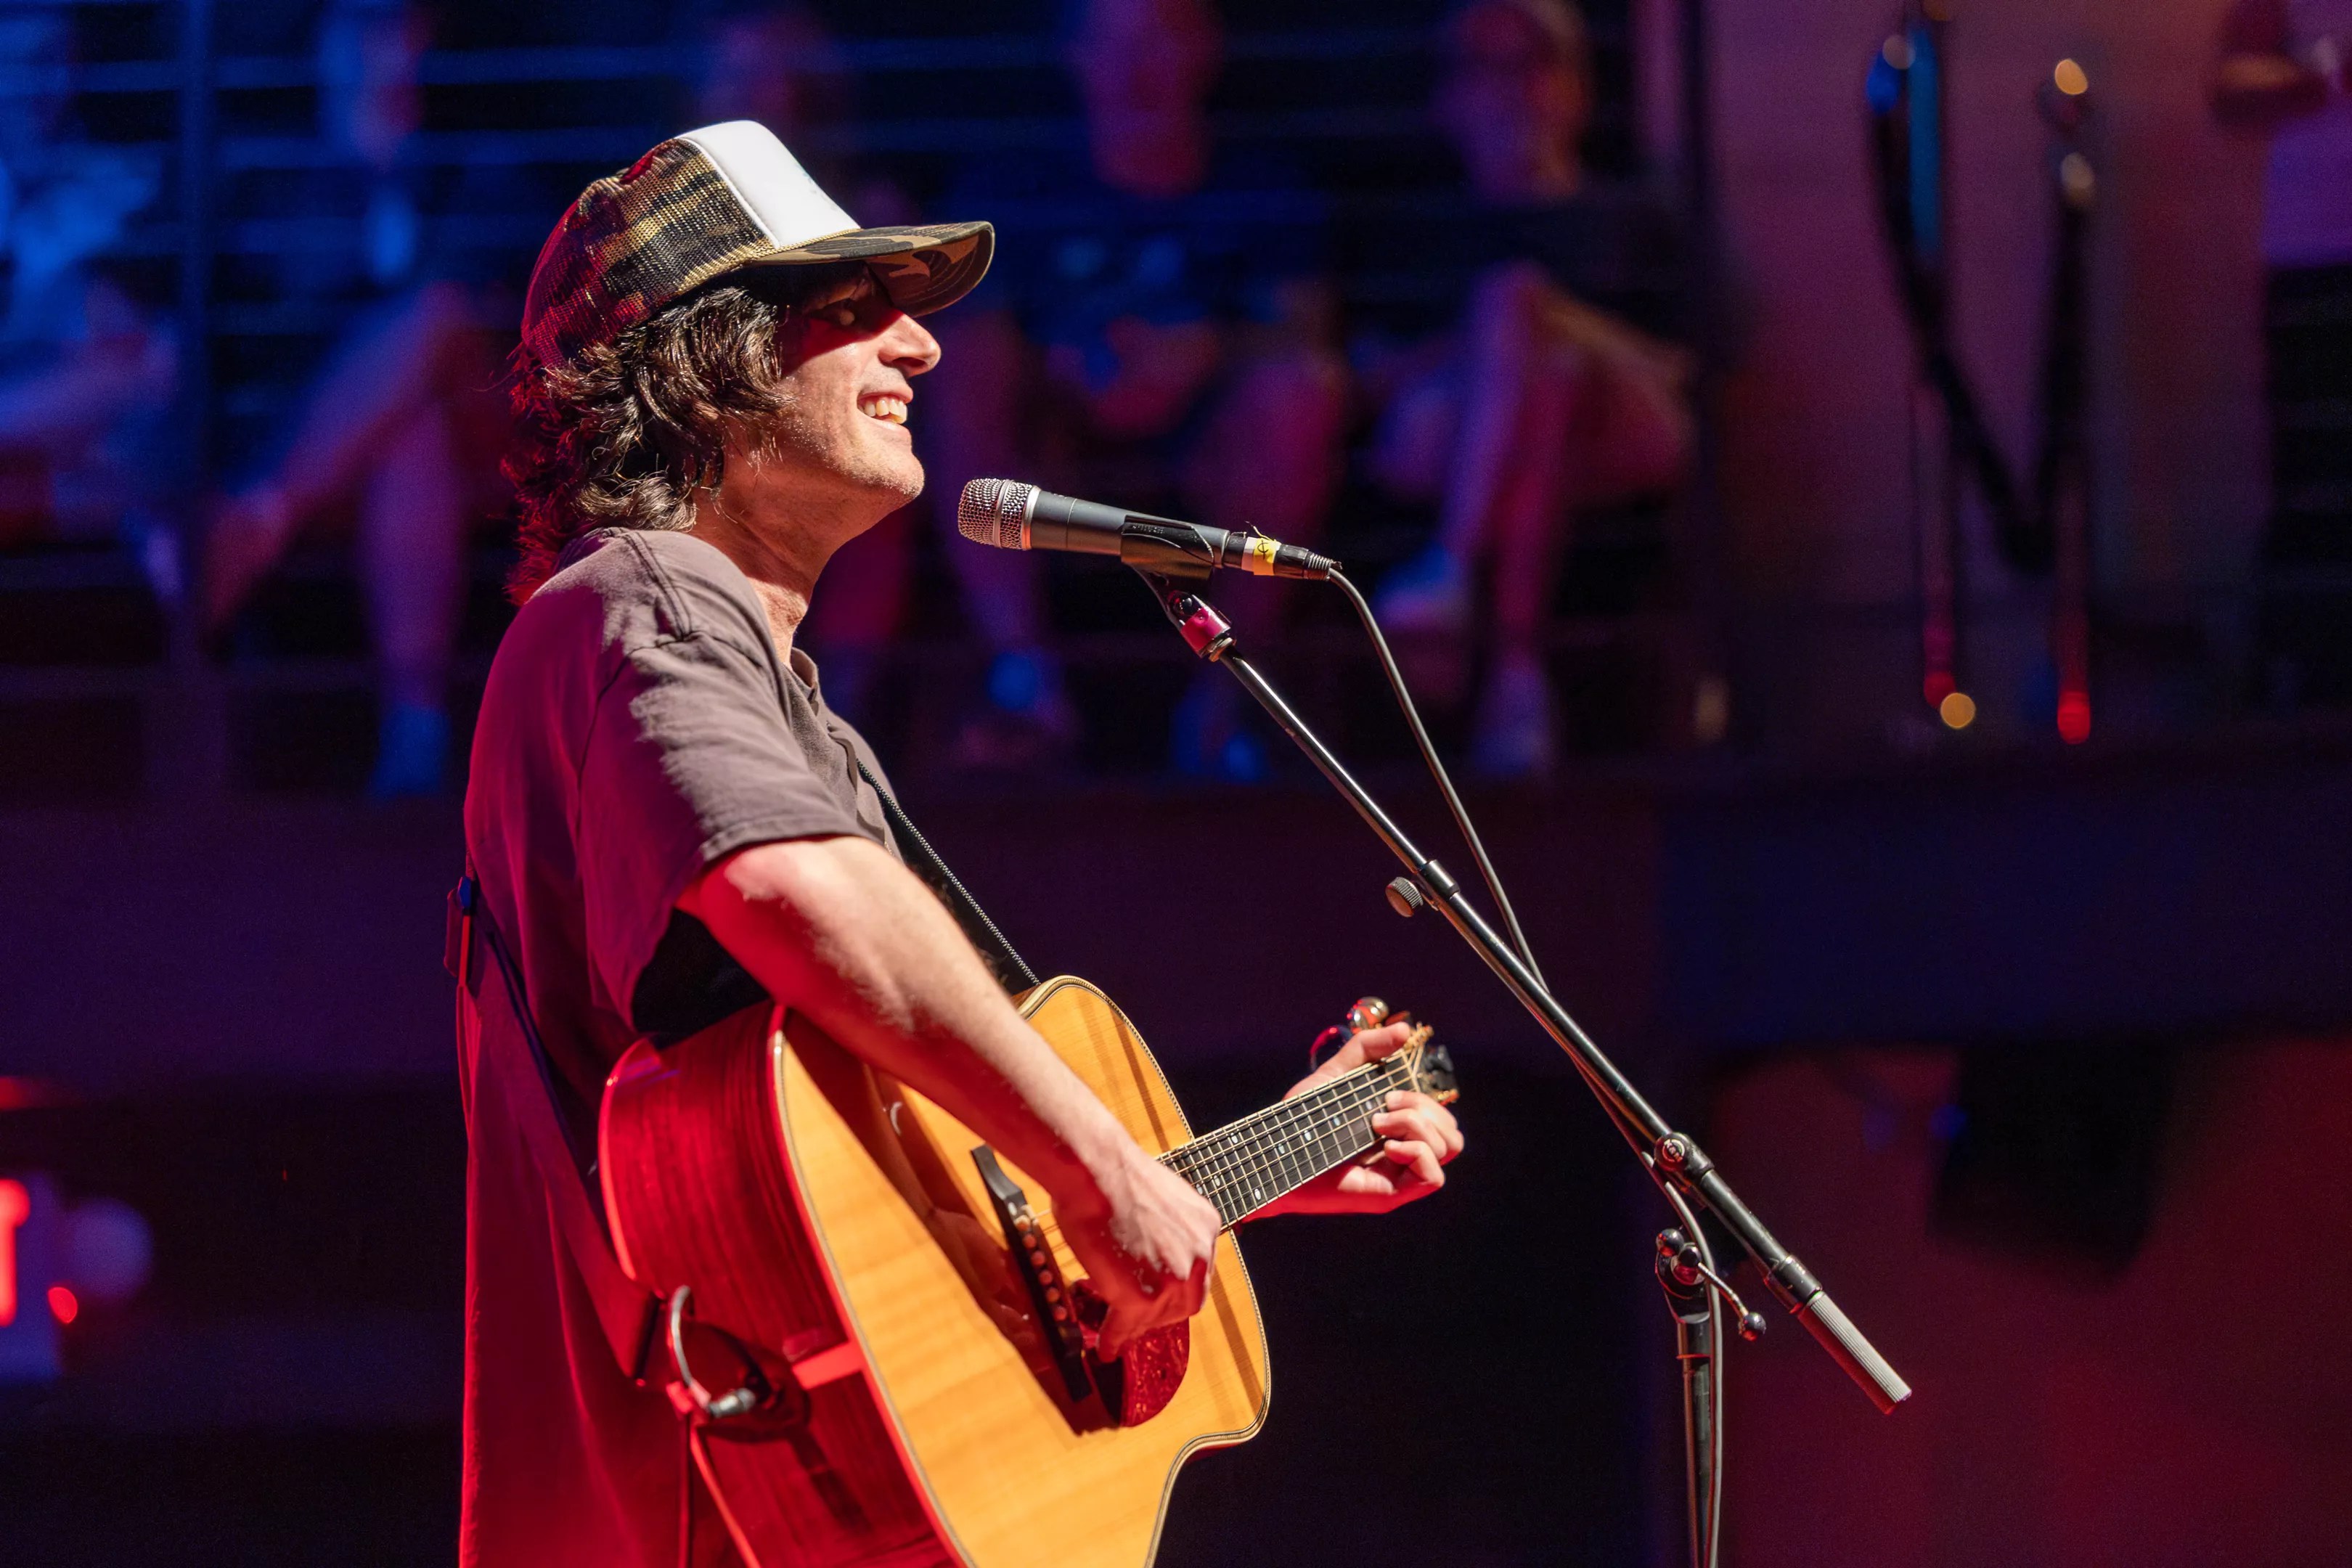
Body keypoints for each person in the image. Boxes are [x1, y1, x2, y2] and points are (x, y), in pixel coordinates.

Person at [464, 121, 1463, 1565]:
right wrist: (1109, 1175)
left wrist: (1210, 1178)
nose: (925, 350)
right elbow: (784, 887)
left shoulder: (752, 679)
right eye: (856, 312)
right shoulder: (651, 599)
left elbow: (852, 1212)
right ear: (710, 362)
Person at [813, 0, 1347, 777]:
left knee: (1302, 391)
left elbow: (1309, 339)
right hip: (1057, 454)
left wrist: (1206, 352)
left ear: (1205, 50)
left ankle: (1236, 699)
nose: (1138, 70)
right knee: (959, 361)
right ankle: (1026, 682)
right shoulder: (1012, 189)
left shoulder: (1263, 186)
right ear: (1076, 56)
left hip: (1212, 452)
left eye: (1160, 41)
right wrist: (1065, 363)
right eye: (1116, 43)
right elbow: (959, 338)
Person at [202, 0, 527, 797]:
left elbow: (491, 313)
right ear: (321, 48)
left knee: (436, 318)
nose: (384, 54)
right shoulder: (273, 181)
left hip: (482, 434)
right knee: (406, 434)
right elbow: (265, 332)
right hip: (334, 442)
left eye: (400, 31)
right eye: (362, 32)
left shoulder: (476, 164)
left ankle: (257, 525)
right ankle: (415, 730)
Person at [1365, 0, 1691, 777]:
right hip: (1442, 438)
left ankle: (1452, 567)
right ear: (1445, 101)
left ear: (1578, 87)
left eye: (1536, 64)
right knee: (1542, 372)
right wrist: (1503, 346)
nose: (1513, 91)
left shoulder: (1640, 220)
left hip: (1625, 436)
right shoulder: (1410, 233)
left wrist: (1541, 318)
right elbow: (1373, 379)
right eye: (1486, 69)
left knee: (1532, 327)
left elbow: (1689, 371)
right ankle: (1517, 674)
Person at [2212, 0, 2352, 706]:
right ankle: (2308, 698)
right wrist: (2328, 79)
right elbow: (2230, 90)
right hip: (2318, 253)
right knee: (2319, 482)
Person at [0, 9, 176, 555]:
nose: (35, 82)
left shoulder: (125, 182)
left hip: (88, 448)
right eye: (15, 59)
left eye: (50, 58)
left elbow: (145, 363)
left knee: (155, 365)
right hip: (45, 449)